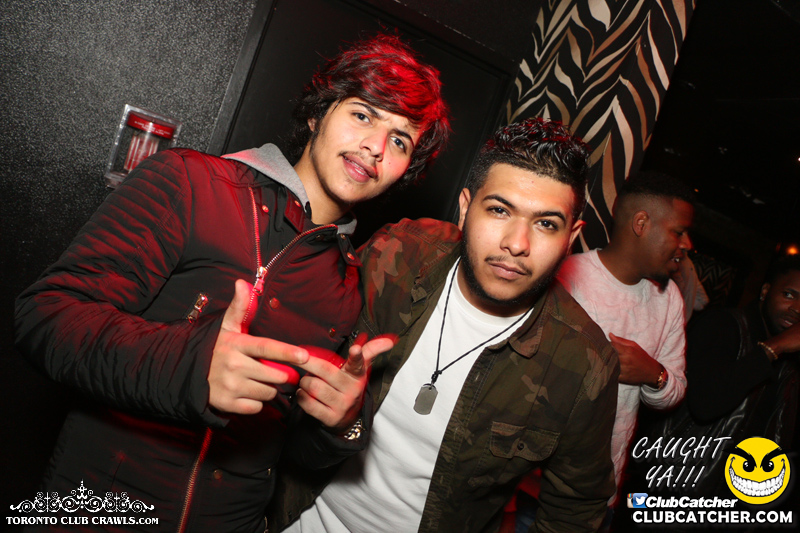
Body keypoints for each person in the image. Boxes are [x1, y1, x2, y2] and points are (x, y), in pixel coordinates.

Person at [13, 34, 449, 532]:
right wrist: (190, 366)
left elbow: (291, 452)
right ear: (318, 114)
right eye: (363, 115)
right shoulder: (190, 184)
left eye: (400, 140)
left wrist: (342, 422)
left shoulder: (348, 282)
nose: (375, 147)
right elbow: (45, 317)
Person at [270, 117, 620, 532]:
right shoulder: (397, 254)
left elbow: (575, 510)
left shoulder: (582, 364)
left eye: (546, 224)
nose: (517, 243)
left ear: (571, 236)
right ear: (466, 208)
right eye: (499, 210)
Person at [556, 171, 693, 506]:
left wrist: (653, 374)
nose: (687, 244)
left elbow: (674, 389)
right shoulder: (568, 277)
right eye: (679, 232)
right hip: (540, 487)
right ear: (641, 223)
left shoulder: (669, 299)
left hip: (602, 491)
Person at [644, 255, 800, 498]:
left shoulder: (791, 362)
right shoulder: (723, 325)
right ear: (765, 291)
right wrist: (773, 348)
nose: (797, 308)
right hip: (676, 490)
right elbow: (705, 404)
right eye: (788, 295)